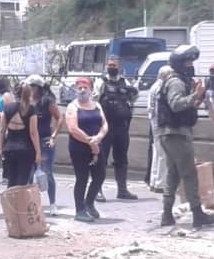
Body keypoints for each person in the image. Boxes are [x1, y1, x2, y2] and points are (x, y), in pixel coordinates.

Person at [157, 45, 214, 229]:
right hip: (176, 134)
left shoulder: (179, 80)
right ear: (180, 63)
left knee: (173, 175)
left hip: (173, 133)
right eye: (188, 62)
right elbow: (176, 104)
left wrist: (197, 98)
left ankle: (167, 214)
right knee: (189, 174)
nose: (191, 65)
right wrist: (195, 95)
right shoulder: (175, 82)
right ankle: (197, 214)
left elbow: (185, 107)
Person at [94, 56, 139, 200]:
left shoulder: (125, 82)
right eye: (110, 65)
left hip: (122, 127)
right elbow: (95, 100)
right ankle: (97, 190)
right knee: (101, 159)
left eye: (115, 65)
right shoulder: (101, 82)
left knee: (122, 159)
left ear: (119, 67)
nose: (112, 67)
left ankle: (122, 190)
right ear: (107, 66)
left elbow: (133, 97)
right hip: (105, 127)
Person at [65, 77, 108, 223]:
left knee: (100, 176)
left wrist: (99, 136)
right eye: (80, 88)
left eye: (85, 88)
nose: (82, 90)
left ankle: (89, 202)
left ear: (90, 90)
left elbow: (104, 124)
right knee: (82, 178)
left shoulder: (97, 105)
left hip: (97, 144)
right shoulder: (73, 107)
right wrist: (90, 142)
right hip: (79, 147)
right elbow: (73, 129)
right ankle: (80, 210)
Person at [25, 74, 63, 215]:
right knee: (29, 173)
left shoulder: (46, 101)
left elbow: (59, 118)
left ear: (37, 88)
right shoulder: (27, 101)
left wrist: (53, 136)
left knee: (47, 172)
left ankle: (52, 203)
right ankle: (30, 203)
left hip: (44, 139)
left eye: (30, 86)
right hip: (29, 141)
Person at [0, 82, 41, 187]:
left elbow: (2, 130)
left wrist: (1, 148)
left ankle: (11, 203)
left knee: (11, 181)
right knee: (22, 182)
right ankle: (20, 203)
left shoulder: (7, 108)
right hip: (25, 149)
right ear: (29, 95)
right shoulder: (31, 110)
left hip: (9, 148)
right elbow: (33, 133)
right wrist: (38, 152)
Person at [147, 66, 175, 194]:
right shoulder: (161, 88)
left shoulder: (154, 86)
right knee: (163, 153)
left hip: (154, 121)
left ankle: (154, 181)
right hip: (160, 122)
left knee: (157, 152)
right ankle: (160, 183)